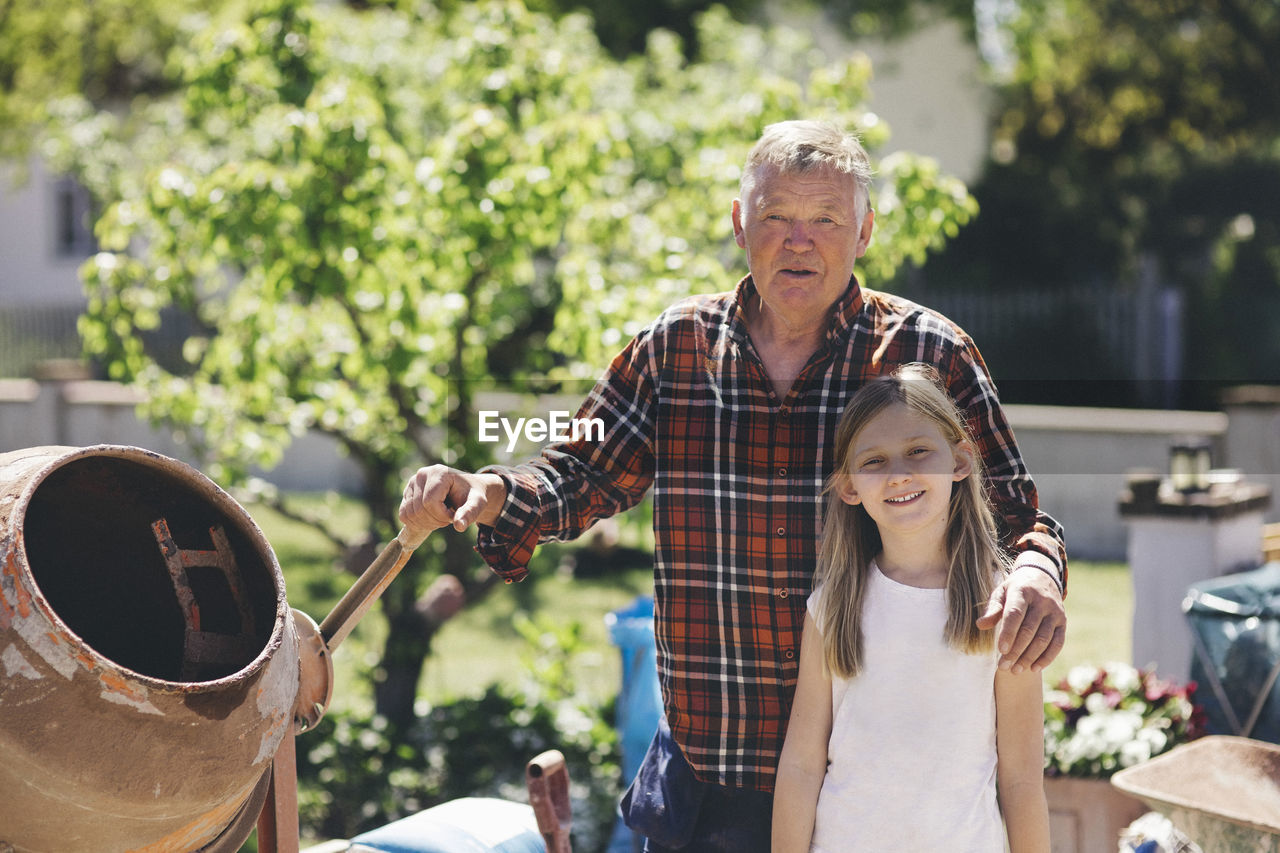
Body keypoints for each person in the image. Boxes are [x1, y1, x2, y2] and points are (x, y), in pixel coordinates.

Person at [399, 119, 1067, 852]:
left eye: (825, 220)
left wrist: (1035, 570)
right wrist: (491, 488)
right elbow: (580, 463)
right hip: (707, 776)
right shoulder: (673, 347)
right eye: (776, 217)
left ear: (866, 231)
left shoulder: (928, 352)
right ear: (739, 222)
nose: (798, 240)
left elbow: (1018, 515)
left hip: (868, 801)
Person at [771, 364, 1051, 853]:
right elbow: (801, 764)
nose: (899, 473)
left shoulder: (1004, 606)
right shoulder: (833, 605)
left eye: (919, 451)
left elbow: (1022, 779)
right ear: (849, 487)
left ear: (960, 461)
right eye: (874, 460)